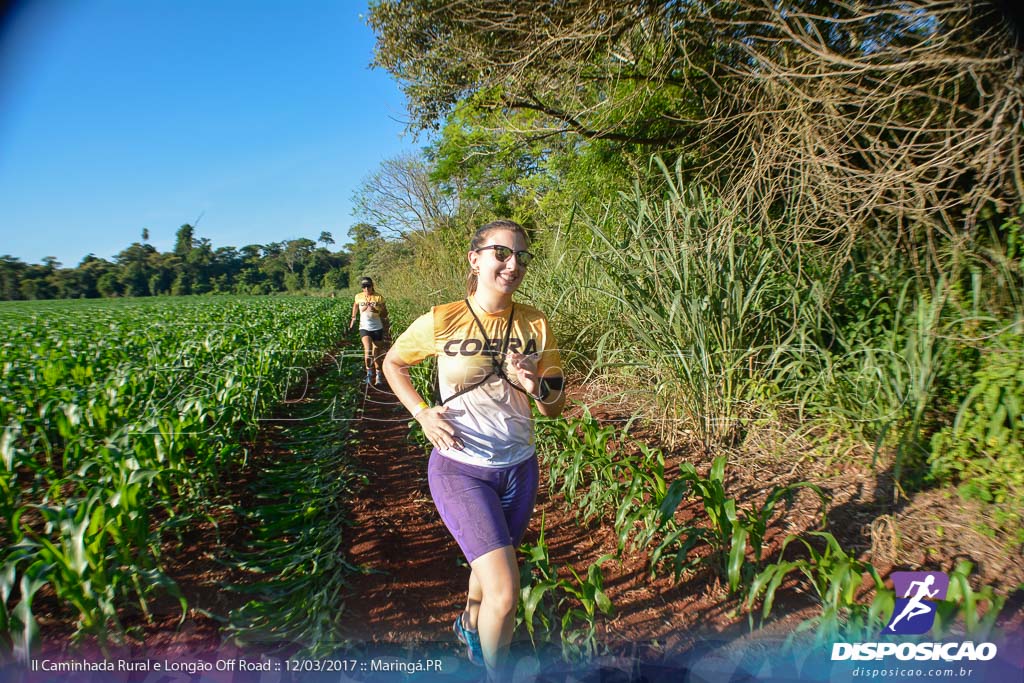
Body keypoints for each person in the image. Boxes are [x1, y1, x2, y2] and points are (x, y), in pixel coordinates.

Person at [382, 220, 565, 679]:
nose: (513, 263)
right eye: (502, 253)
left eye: (521, 256)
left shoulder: (535, 323)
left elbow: (556, 408)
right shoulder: (443, 318)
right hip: (461, 469)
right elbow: (394, 362)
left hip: (519, 469)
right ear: (476, 259)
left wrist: (535, 385)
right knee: (505, 594)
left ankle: (468, 625)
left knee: (489, 568)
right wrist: (422, 413)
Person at [349, 277, 390, 385]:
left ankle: (378, 375)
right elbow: (355, 305)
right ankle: (369, 373)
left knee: (376, 353)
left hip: (377, 328)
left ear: (372, 286)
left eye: (368, 286)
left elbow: (385, 313)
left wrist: (376, 310)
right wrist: (353, 317)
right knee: (367, 351)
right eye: (364, 287)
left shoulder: (378, 297)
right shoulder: (358, 297)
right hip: (364, 327)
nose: (366, 289)